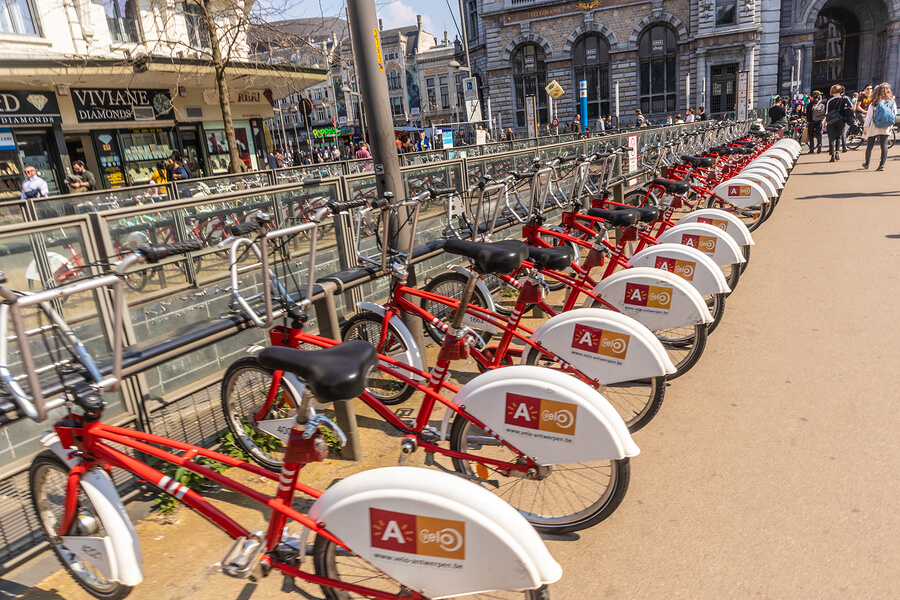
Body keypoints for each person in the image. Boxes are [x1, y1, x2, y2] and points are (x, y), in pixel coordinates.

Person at [861, 82, 897, 171]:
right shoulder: (891, 101)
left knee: (870, 145)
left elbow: (869, 116)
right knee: (884, 145)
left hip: (874, 125)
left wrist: (865, 127)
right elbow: (894, 114)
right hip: (886, 126)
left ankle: (867, 163)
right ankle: (882, 164)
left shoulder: (875, 102)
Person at [825, 84, 852, 162]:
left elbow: (827, 112)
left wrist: (824, 123)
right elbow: (851, 107)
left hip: (831, 121)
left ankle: (832, 155)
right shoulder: (844, 99)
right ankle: (837, 152)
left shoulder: (830, 101)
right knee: (838, 137)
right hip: (841, 119)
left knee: (831, 138)